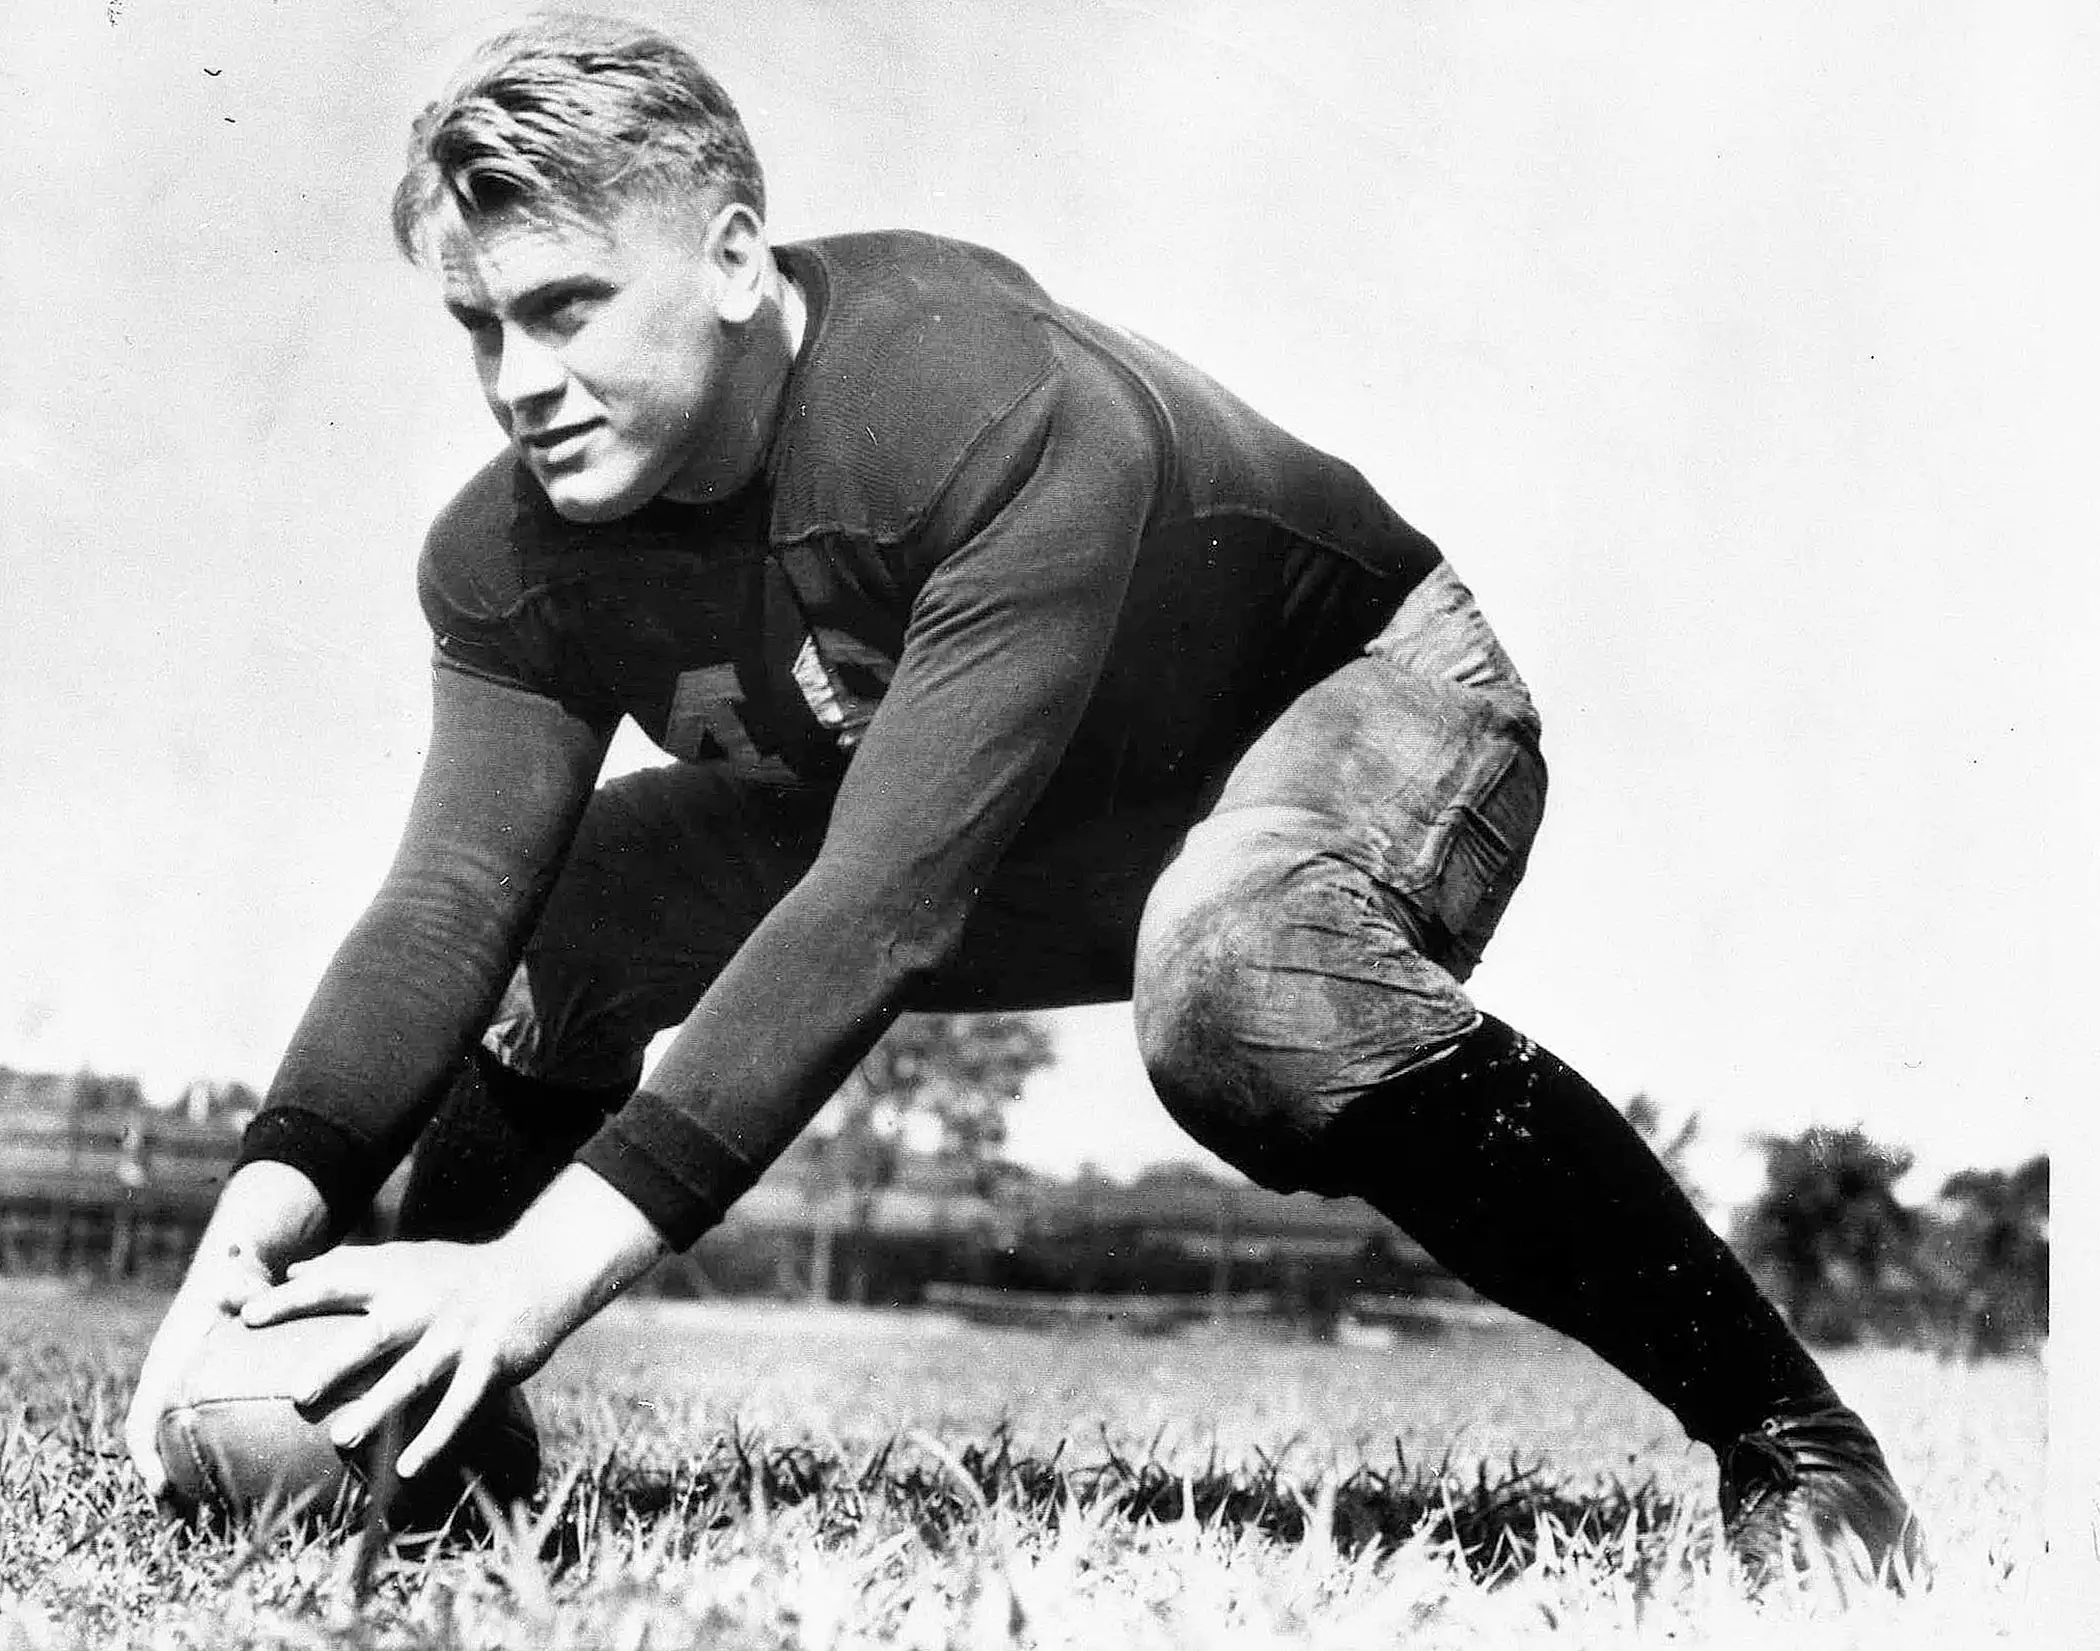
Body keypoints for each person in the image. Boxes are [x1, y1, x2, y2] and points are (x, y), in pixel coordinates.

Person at [126, 11, 1921, 1585]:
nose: (520, 381)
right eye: (479, 327)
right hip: (1009, 806)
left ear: (737, 258)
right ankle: (419, 1423)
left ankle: (1791, 1434)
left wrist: (535, 1271)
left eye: (567, 307)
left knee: (1240, 980)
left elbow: (882, 900)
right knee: (564, 914)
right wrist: (253, 1233)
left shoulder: (976, 399)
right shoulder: (514, 555)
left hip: (1336, 700)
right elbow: (450, 903)